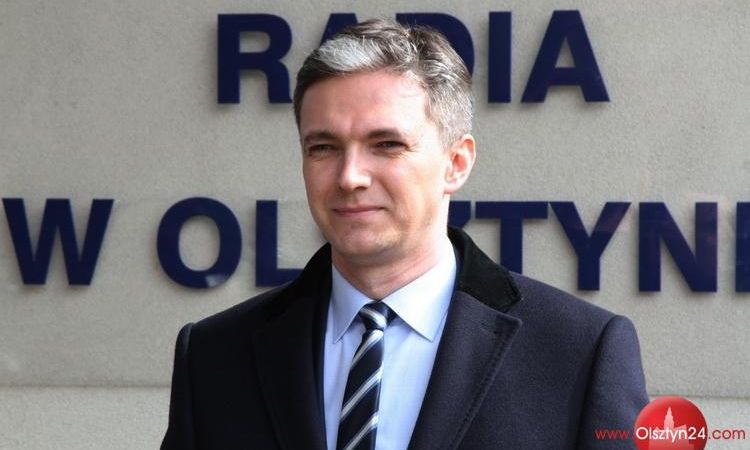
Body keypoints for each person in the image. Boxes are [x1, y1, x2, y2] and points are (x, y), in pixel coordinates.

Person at [161, 18, 648, 450]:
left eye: (387, 144)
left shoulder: (580, 351)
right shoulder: (214, 354)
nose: (350, 176)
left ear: (456, 163)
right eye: (323, 147)